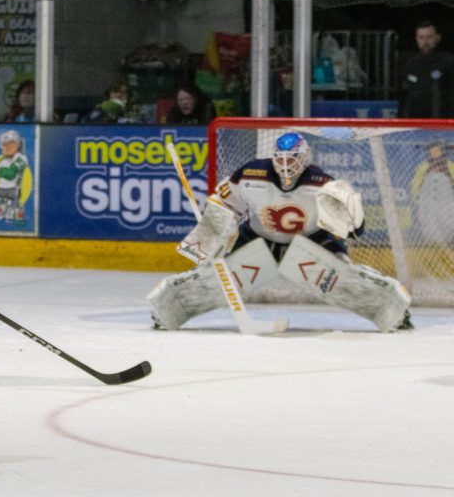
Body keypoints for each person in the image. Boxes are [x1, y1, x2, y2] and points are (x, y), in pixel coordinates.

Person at [148, 132, 413, 333]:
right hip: (257, 238)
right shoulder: (251, 174)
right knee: (221, 277)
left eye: (292, 159)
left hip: (313, 240)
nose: (286, 166)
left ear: (305, 158)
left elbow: (354, 231)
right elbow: (223, 201)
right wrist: (214, 233)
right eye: (281, 159)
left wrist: (352, 220)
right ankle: (171, 306)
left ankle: (391, 309)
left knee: (340, 277)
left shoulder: (322, 184)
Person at [398, 20, 454, 118]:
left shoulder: (448, 62)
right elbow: (404, 96)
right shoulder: (410, 63)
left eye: (429, 37)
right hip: (413, 124)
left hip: (442, 125)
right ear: (416, 39)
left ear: (437, 38)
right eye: (421, 37)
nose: (425, 41)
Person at [410, 141, 454, 245]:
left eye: (438, 150)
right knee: (431, 232)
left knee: (449, 228)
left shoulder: (450, 166)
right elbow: (416, 184)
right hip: (428, 203)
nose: (435, 153)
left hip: (447, 202)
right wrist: (417, 200)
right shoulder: (423, 166)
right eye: (433, 151)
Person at [0, 129, 29, 224]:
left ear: (17, 144)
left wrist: (5, 171)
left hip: (13, 188)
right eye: (5, 145)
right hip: (0, 189)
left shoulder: (21, 158)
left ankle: (16, 219)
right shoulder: (2, 161)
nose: (7, 147)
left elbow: (10, 174)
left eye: (10, 143)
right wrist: (6, 171)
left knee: (14, 209)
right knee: (1, 209)